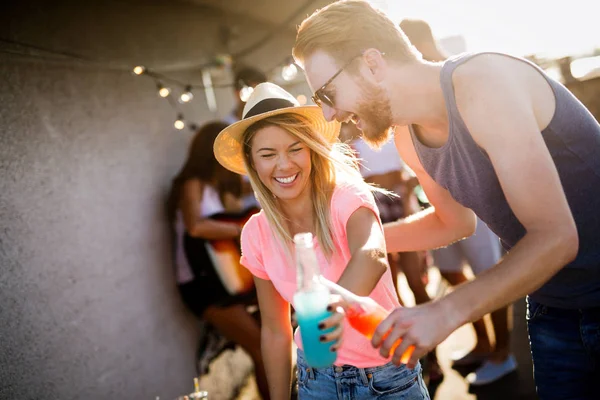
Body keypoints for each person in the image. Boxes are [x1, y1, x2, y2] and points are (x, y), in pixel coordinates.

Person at [293, 1, 600, 398]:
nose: (329, 114)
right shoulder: (408, 137)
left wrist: (443, 311)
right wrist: (359, 242)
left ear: (372, 63)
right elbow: (453, 223)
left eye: (327, 93)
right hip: (552, 307)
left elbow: (557, 237)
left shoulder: (482, 83)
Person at [213, 82, 429, 399]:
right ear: (253, 163)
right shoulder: (256, 232)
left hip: (387, 377)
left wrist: (336, 312)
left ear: (312, 148)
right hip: (317, 383)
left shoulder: (346, 196)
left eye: (295, 148)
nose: (284, 164)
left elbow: (372, 257)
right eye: (268, 154)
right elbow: (275, 331)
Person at [400, 18, 517, 386]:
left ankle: (504, 354)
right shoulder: (412, 94)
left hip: (478, 204)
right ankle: (483, 342)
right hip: (440, 205)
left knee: (491, 276)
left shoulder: (453, 79)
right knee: (451, 273)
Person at [167, 121, 269, 400]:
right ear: (210, 151)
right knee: (261, 348)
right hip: (202, 284)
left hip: (227, 280)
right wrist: (239, 230)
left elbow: (246, 205)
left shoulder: (219, 186)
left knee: (270, 339)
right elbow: (195, 227)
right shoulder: (193, 184)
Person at [350, 126, 444, 384]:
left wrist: (405, 193)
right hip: (371, 207)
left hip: (400, 203)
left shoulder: (393, 132)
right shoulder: (350, 141)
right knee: (389, 291)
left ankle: (433, 356)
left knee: (416, 283)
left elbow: (413, 171)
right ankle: (411, 358)